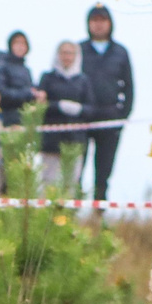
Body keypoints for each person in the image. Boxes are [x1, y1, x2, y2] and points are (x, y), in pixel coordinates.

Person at [79, 4, 134, 202]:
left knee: (103, 172)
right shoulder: (79, 49)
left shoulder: (120, 52)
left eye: (103, 20)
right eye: (95, 20)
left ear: (110, 23)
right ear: (88, 24)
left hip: (110, 119)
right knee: (76, 167)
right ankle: (71, 215)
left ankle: (98, 214)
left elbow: (129, 87)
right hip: (83, 119)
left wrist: (122, 116)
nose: (99, 25)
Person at [37, 39, 94, 192]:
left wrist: (78, 109)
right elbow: (40, 104)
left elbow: (91, 109)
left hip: (74, 140)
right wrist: (58, 106)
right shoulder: (48, 78)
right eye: (63, 53)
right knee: (48, 183)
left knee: (71, 184)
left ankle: (66, 215)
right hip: (51, 140)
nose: (67, 57)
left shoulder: (83, 80)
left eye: (70, 53)